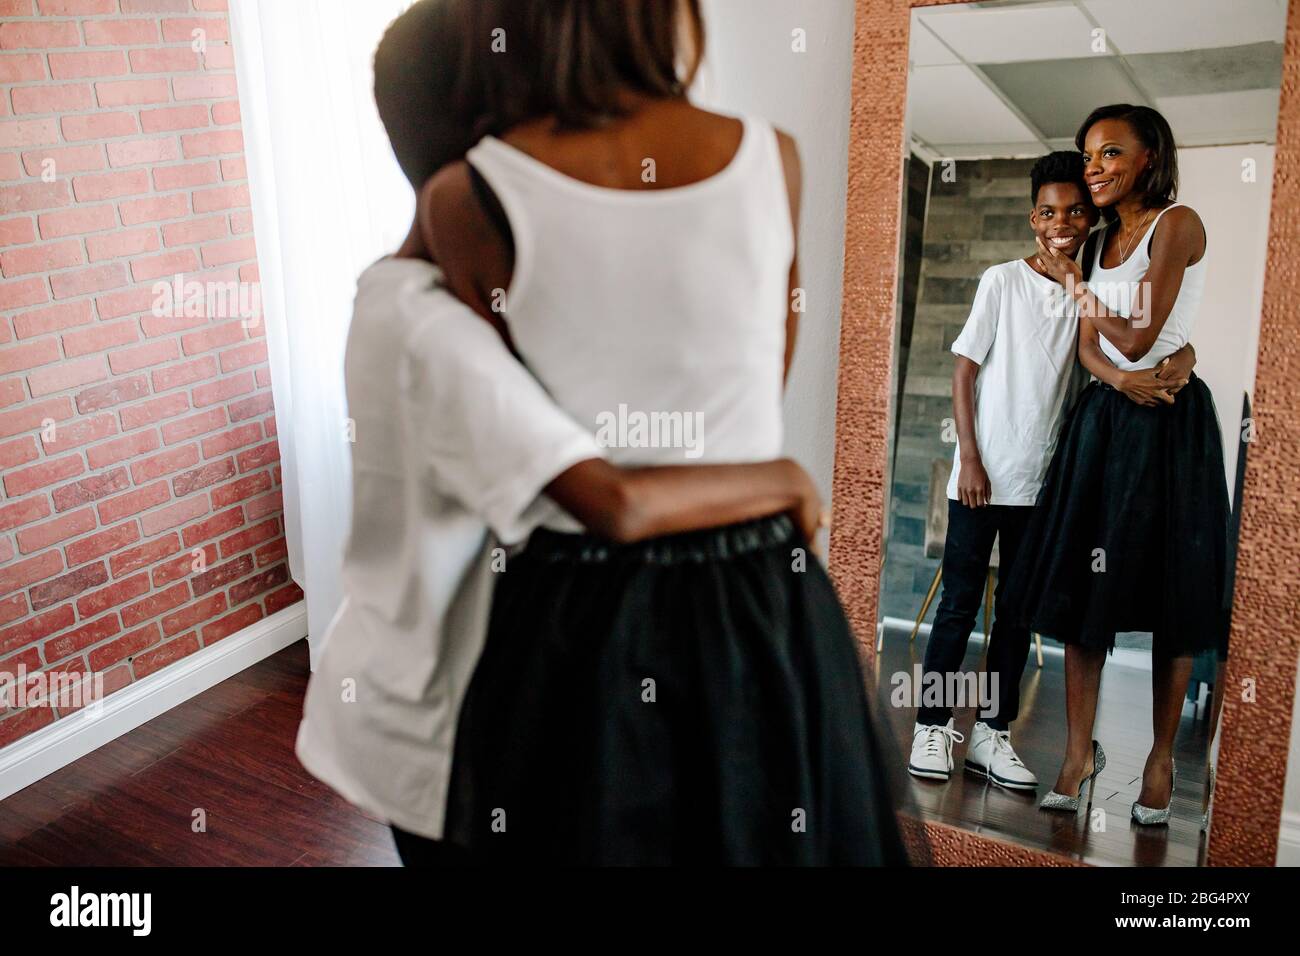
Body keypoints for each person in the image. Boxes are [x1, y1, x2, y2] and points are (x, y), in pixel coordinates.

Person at [295, 0, 831, 867]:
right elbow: (641, 478)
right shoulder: (428, 327)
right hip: (718, 596)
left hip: (516, 630)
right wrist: (781, 480)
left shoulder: (428, 251)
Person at [423, 0, 910, 865]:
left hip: (572, 606)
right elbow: (761, 393)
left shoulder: (466, 197)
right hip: (756, 591)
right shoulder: (773, 159)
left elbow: (520, 425)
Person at [907, 152, 1195, 791]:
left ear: (1090, 218)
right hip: (982, 479)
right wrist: (972, 459)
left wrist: (1186, 350)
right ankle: (932, 724)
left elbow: (1127, 339)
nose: (1060, 222)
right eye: (1047, 211)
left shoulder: (1090, 291)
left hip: (1044, 483)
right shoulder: (1001, 280)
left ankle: (992, 732)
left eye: (1073, 211)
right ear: (1032, 217)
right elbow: (964, 370)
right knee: (958, 605)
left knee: (1016, 611)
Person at [1008, 104, 1229, 826]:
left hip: (1170, 423)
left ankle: (1160, 761)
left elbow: (1138, 336)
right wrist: (1119, 380)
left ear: (1148, 158)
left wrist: (1144, 360)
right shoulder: (1099, 237)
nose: (1095, 166)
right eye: (1088, 154)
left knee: (1174, 591)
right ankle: (1076, 756)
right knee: (1082, 590)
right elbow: (1093, 351)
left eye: (1110, 153)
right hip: (1107, 419)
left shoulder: (1179, 223)